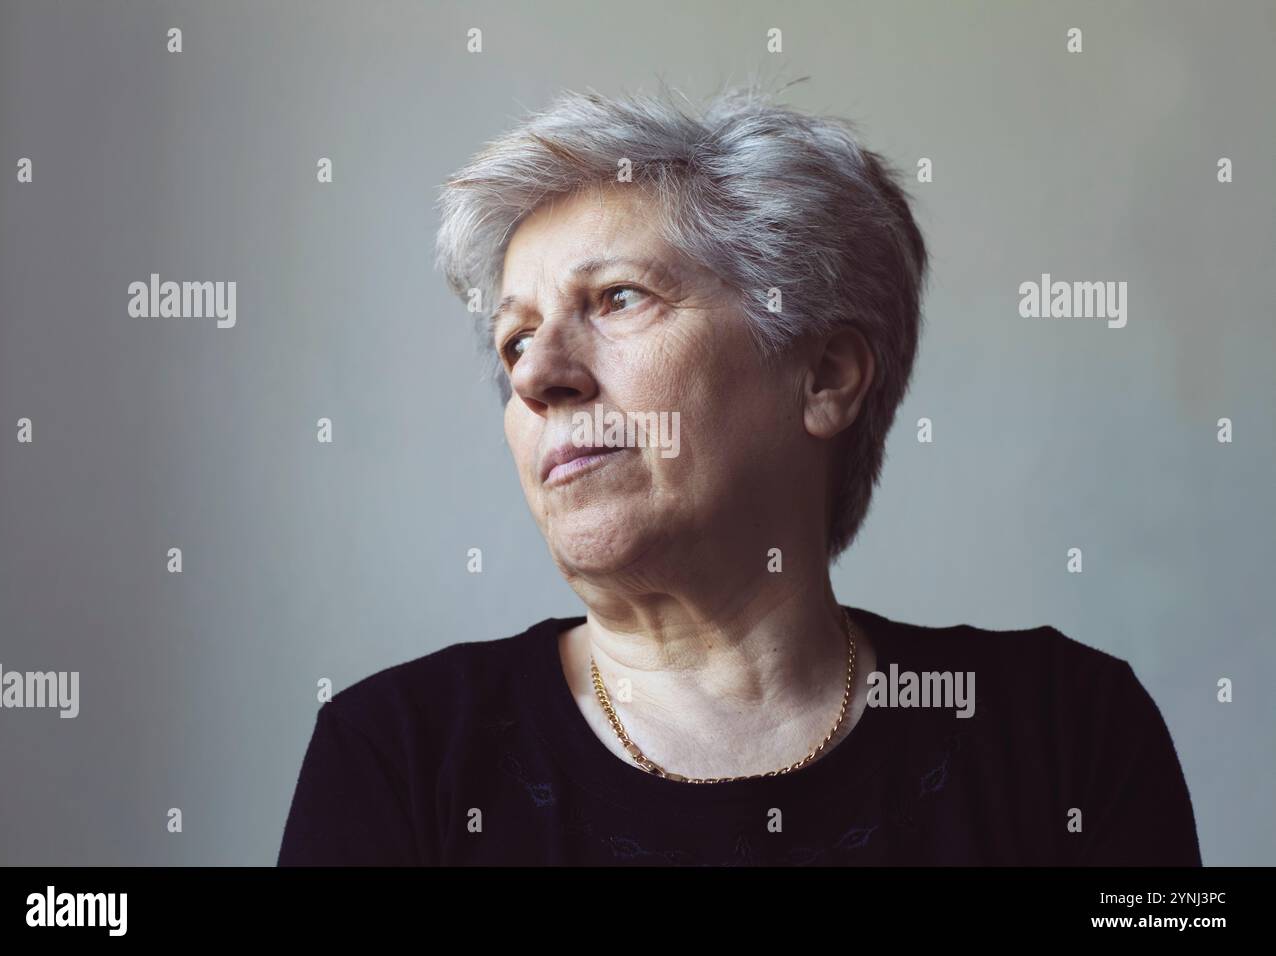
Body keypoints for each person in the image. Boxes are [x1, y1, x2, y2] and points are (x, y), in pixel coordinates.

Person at [277, 82, 1201, 866]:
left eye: (616, 298)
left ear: (825, 376)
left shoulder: (1064, 735)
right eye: (514, 339)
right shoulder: (398, 758)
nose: (534, 374)